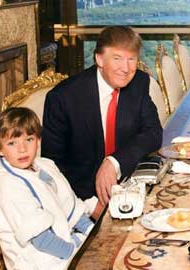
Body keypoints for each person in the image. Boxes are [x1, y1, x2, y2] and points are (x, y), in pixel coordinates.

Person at [0, 107, 100, 270]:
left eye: (29, 140)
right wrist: (78, 253)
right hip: (35, 252)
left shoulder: (43, 166)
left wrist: (93, 234)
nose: (22, 149)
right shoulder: (9, 184)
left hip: (63, 240)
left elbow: (68, 206)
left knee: (111, 260)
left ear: (38, 141)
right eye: (12, 143)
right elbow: (40, 239)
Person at [42, 26, 162, 208]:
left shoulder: (139, 82)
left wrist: (114, 162)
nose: (126, 68)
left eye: (132, 59)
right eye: (117, 58)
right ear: (99, 59)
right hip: (83, 198)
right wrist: (88, 206)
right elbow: (52, 165)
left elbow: (153, 133)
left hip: (130, 187)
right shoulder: (63, 98)